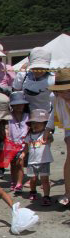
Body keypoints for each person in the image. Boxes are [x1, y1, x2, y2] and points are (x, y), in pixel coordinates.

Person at [46, 68, 70, 206]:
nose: (66, 94)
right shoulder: (56, 99)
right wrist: (48, 129)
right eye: (62, 90)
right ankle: (68, 192)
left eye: (68, 90)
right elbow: (53, 113)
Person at [21, 109, 53, 205]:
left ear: (45, 124)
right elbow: (26, 147)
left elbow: (51, 138)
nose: (36, 124)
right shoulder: (29, 135)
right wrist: (23, 154)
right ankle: (33, 191)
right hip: (32, 162)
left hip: (44, 160)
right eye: (33, 122)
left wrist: (48, 139)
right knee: (33, 179)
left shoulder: (45, 134)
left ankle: (46, 196)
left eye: (39, 122)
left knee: (45, 180)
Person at [12, 47, 54, 113]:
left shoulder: (53, 79)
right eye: (35, 67)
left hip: (48, 114)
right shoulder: (22, 76)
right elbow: (16, 96)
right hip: (26, 115)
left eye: (42, 68)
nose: (38, 71)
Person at [6, 91, 30, 193]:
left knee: (20, 163)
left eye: (21, 104)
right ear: (12, 105)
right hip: (11, 143)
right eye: (16, 105)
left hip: (24, 143)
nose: (19, 106)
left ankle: (19, 183)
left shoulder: (28, 116)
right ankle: (13, 181)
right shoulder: (9, 116)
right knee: (12, 164)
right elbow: (6, 128)